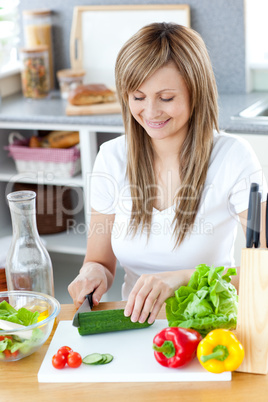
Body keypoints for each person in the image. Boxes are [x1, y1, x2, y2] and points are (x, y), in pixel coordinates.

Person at [68, 22, 267, 324]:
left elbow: (263, 271)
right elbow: (99, 261)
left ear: (195, 92)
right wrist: (91, 274)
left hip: (210, 327)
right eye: (138, 97)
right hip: (133, 324)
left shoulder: (233, 157)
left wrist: (186, 278)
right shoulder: (111, 157)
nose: (150, 112)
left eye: (166, 98)